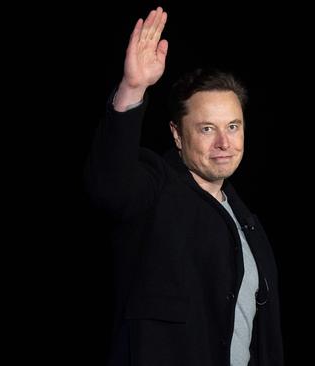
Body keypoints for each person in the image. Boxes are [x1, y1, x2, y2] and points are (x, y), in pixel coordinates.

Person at [85, 7, 283, 366]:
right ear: (177, 134)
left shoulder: (248, 224)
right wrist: (133, 88)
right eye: (207, 128)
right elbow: (110, 185)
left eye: (233, 126)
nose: (224, 142)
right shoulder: (154, 189)